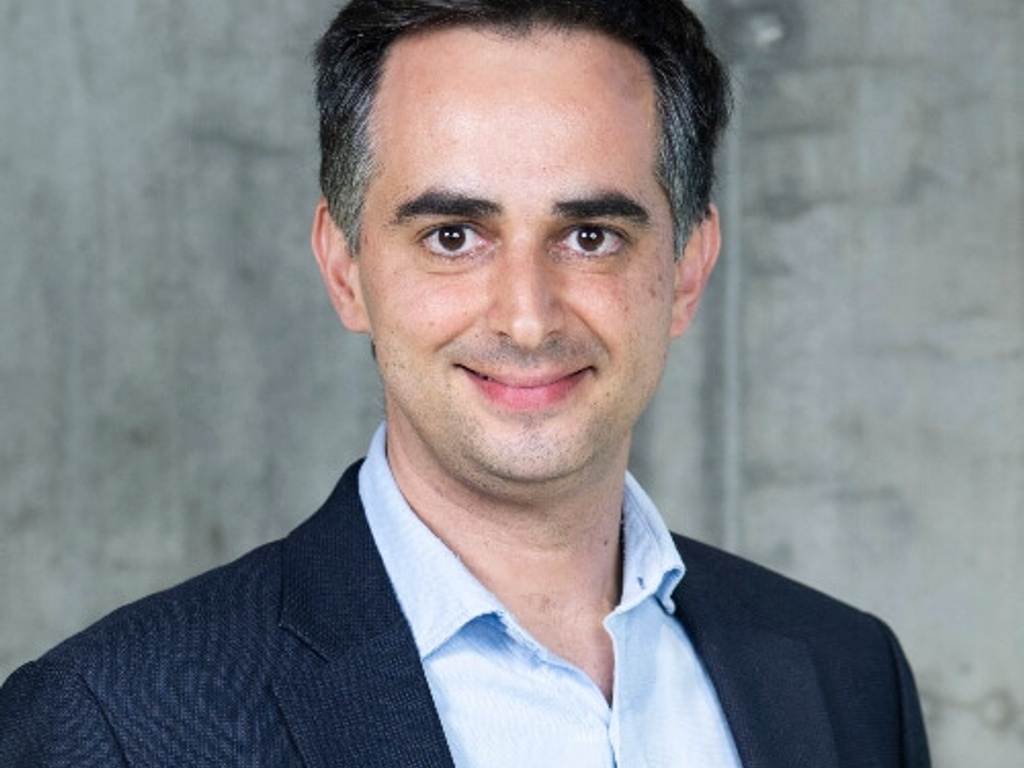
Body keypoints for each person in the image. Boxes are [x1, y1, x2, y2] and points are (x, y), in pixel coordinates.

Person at [0, 0, 931, 765]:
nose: (527, 318)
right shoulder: (113, 723)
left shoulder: (847, 677)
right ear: (345, 268)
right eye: (453, 236)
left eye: (592, 236)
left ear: (686, 270)